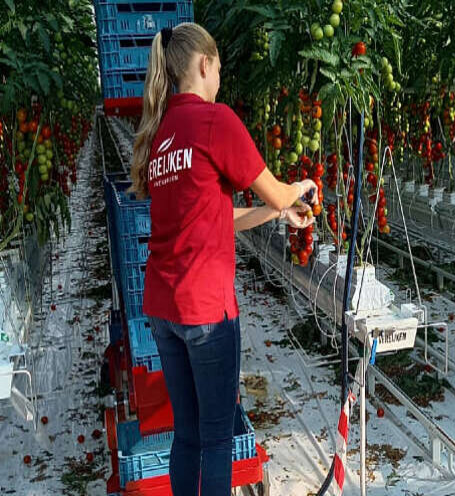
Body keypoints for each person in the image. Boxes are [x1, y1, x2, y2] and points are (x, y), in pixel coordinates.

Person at [128, 23, 317, 496]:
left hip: (164, 310)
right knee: (216, 440)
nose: (219, 82)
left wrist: (280, 213)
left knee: (187, 436)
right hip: (206, 311)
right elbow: (276, 188)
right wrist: (299, 191)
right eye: (218, 71)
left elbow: (215, 216)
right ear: (205, 64)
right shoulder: (214, 120)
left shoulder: (161, 132)